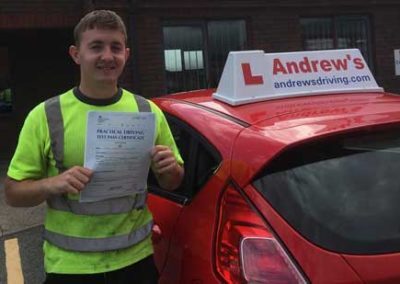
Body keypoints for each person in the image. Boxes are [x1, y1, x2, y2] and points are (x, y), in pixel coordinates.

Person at [4, 9, 184, 284]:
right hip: (70, 267)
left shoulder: (146, 111)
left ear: (127, 54)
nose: (107, 56)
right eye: (96, 46)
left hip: (136, 261)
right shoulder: (45, 115)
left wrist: (169, 168)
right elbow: (14, 193)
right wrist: (53, 184)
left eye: (115, 47)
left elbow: (173, 181)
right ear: (76, 54)